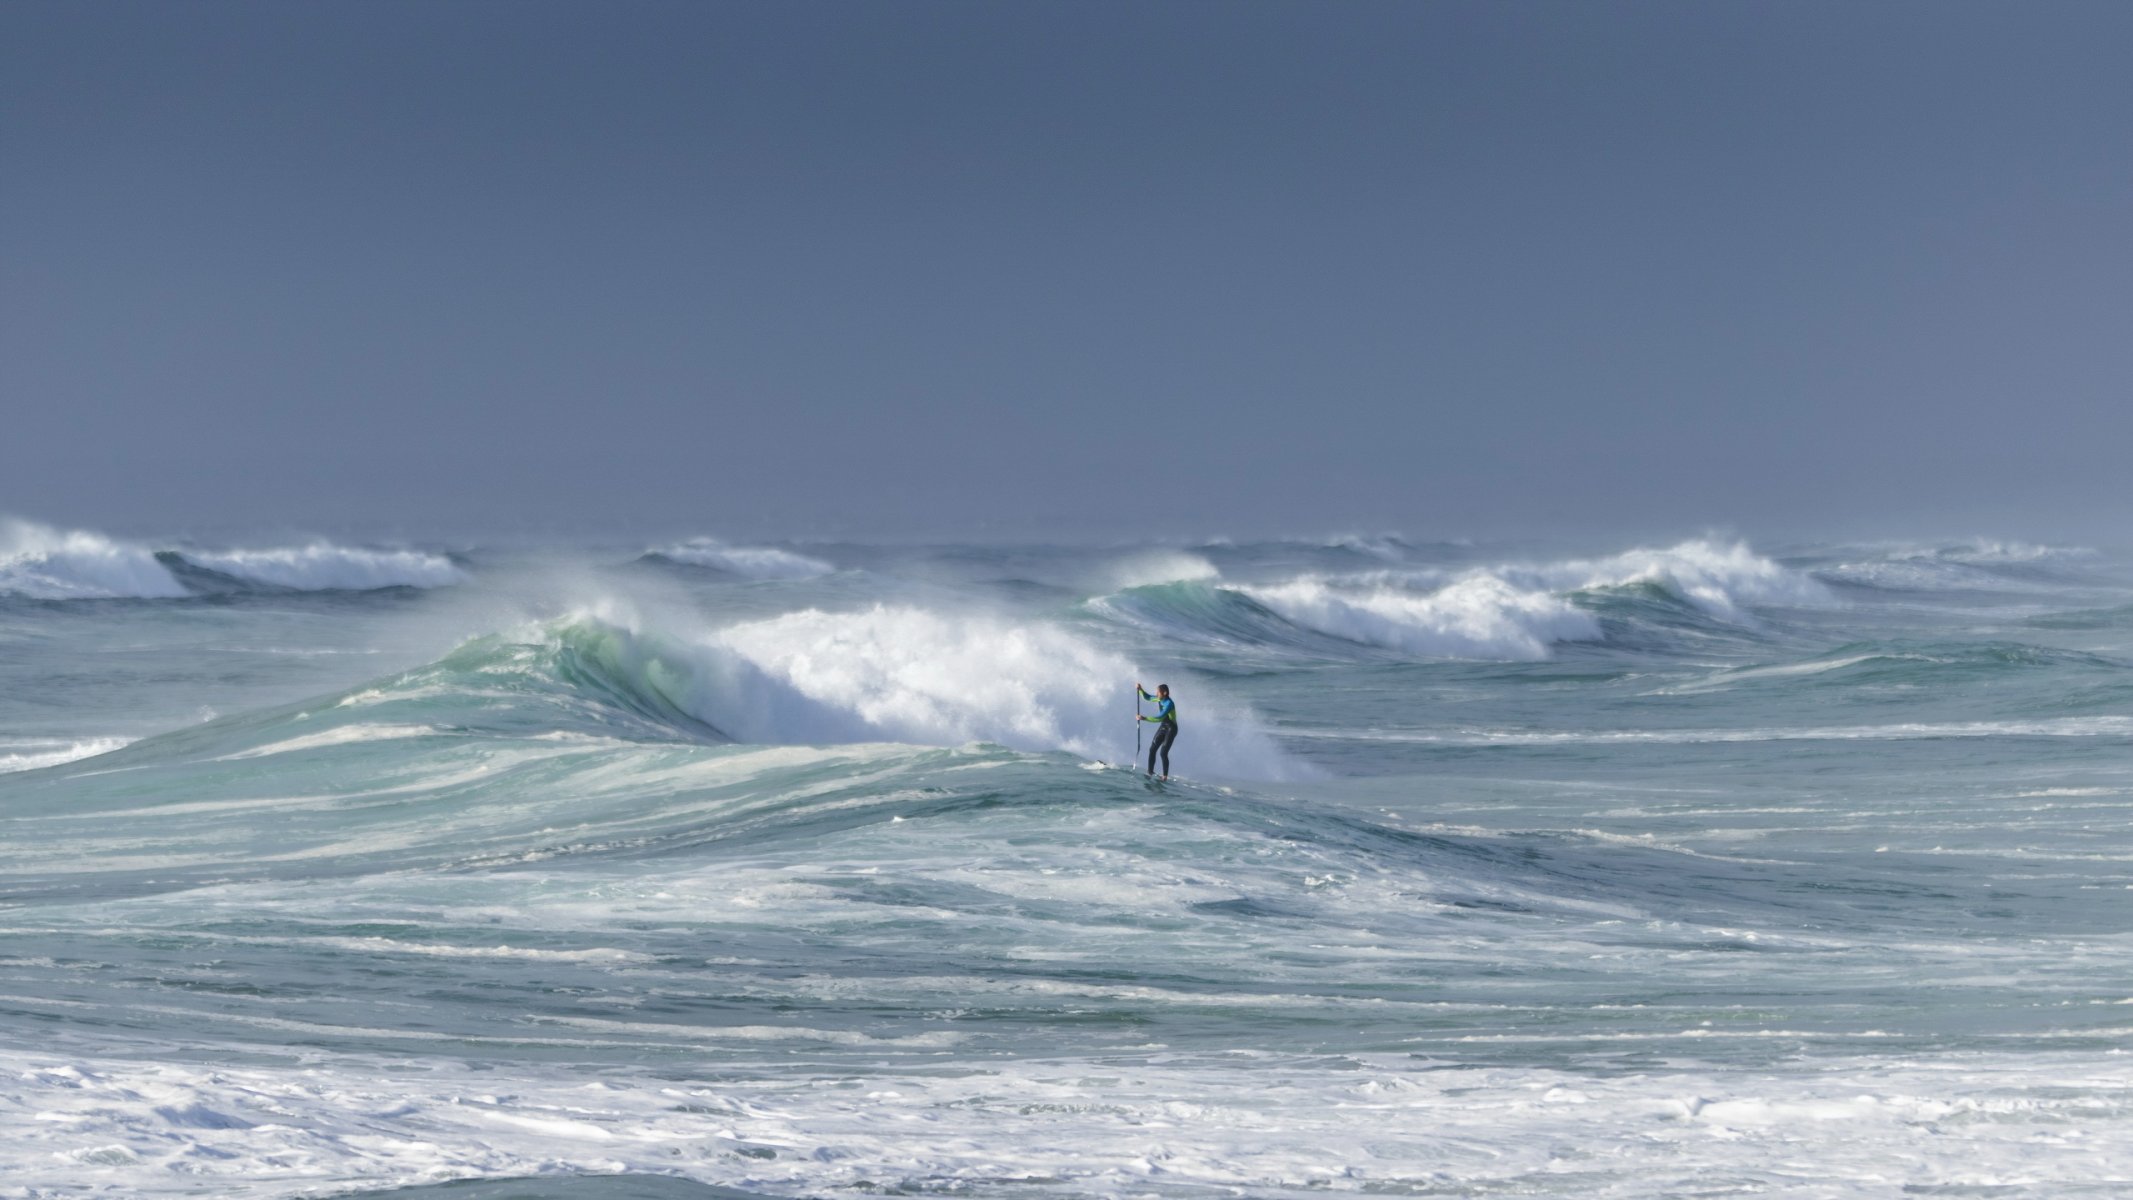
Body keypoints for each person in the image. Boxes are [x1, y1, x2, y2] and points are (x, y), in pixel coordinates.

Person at [1136, 682, 1177, 779]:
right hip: (1164, 726)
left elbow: (1160, 717)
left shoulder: (1169, 704)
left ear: (1165, 693)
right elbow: (1148, 697)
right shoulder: (1159, 698)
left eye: (1158, 692)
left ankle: (1165, 776)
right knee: (1152, 749)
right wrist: (1140, 689)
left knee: (1163, 753)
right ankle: (1150, 772)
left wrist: (1144, 718)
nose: (1157, 694)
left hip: (1171, 728)